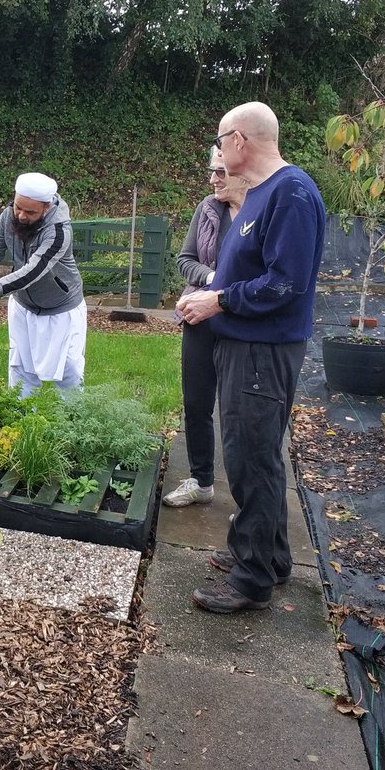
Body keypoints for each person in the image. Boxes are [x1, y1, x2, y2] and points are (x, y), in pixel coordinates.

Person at [176, 101, 325, 614]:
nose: (217, 152)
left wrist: (218, 299)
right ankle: (272, 556)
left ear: (240, 140)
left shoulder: (291, 193)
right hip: (243, 343)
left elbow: (287, 282)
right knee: (255, 451)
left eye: (220, 141)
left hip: (262, 350)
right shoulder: (264, 193)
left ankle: (252, 579)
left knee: (250, 456)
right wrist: (209, 296)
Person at [163, 149, 248, 507]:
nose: (213, 179)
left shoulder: (261, 212)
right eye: (211, 172)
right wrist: (212, 278)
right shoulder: (207, 209)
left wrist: (226, 291)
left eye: (220, 172)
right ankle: (201, 481)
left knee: (238, 411)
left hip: (241, 322)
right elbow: (185, 259)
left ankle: (249, 502)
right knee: (197, 403)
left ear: (243, 173)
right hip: (200, 317)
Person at [0, 172, 86, 396]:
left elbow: (33, 270)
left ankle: (71, 424)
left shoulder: (58, 232)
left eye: (30, 212)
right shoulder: (9, 215)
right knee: (20, 369)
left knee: (69, 371)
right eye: (18, 207)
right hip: (23, 306)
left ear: (46, 207)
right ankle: (21, 421)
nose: (21, 216)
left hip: (61, 308)